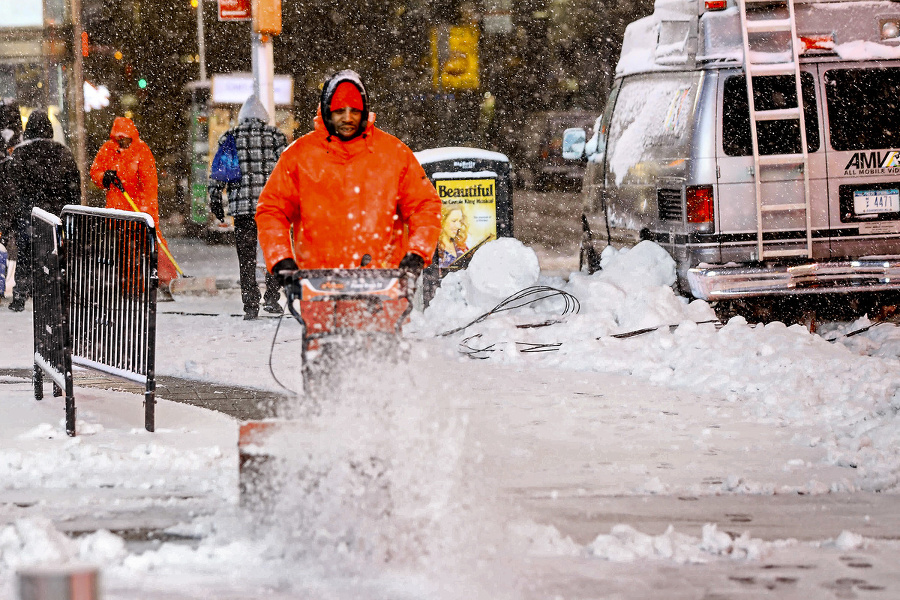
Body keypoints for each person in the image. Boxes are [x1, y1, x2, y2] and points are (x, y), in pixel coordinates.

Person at [256, 70, 441, 287]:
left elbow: (425, 206)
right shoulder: (299, 156)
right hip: (319, 286)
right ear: (326, 111)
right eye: (339, 111)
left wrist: (417, 253)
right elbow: (272, 210)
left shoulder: (394, 154)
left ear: (365, 111)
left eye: (354, 110)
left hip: (384, 284)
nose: (347, 118)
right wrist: (281, 260)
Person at [208, 95, 287, 320]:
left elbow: (220, 172)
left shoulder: (231, 137)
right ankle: (271, 297)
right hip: (271, 208)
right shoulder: (276, 137)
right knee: (273, 253)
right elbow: (287, 172)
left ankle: (250, 304)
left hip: (242, 209)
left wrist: (215, 198)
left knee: (247, 258)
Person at [89, 117, 178, 291]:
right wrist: (104, 177)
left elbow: (149, 185)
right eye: (119, 138)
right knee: (125, 253)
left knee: (153, 245)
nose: (123, 142)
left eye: (126, 139)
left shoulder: (142, 151)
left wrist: (148, 212)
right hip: (117, 214)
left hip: (139, 213)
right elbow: (95, 172)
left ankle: (165, 281)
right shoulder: (108, 149)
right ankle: (130, 287)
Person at [7, 110, 80, 312]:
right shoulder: (62, 152)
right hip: (54, 215)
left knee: (25, 255)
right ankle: (54, 291)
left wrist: (12, 217)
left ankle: (21, 296)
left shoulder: (20, 153)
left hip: (28, 214)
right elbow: (73, 186)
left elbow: (12, 189)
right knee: (54, 253)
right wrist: (71, 212)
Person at [0, 100, 22, 304]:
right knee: (6, 241)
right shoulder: (14, 137)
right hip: (9, 197)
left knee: (4, 241)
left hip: (7, 196)